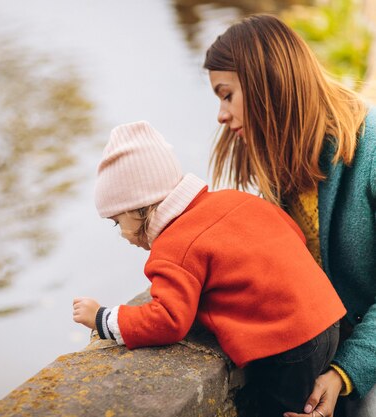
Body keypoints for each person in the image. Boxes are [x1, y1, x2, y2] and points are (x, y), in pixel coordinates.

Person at [73, 120, 345, 417]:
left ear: (140, 208)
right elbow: (294, 234)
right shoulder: (231, 199)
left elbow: (167, 319)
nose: (121, 234)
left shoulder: (173, 247)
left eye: (116, 221)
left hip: (291, 343)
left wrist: (103, 319)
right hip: (328, 319)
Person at [204, 13, 376, 417]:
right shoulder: (278, 169)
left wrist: (343, 374)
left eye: (226, 95)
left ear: (265, 84)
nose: (221, 115)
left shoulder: (371, 151)